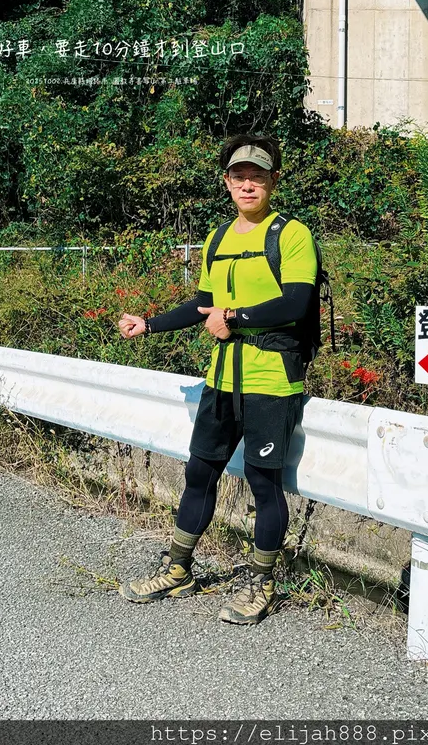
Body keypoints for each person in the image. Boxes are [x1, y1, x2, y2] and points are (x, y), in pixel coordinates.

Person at [117, 134, 318, 625]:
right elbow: (202, 305)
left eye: (258, 175)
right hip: (223, 377)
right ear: (226, 182)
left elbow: (297, 303)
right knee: (199, 472)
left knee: (263, 482)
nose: (248, 184)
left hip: (272, 379)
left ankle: (261, 580)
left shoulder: (291, 235)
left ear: (273, 181)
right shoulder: (218, 238)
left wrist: (236, 316)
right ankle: (179, 568)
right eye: (239, 176)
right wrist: (150, 323)